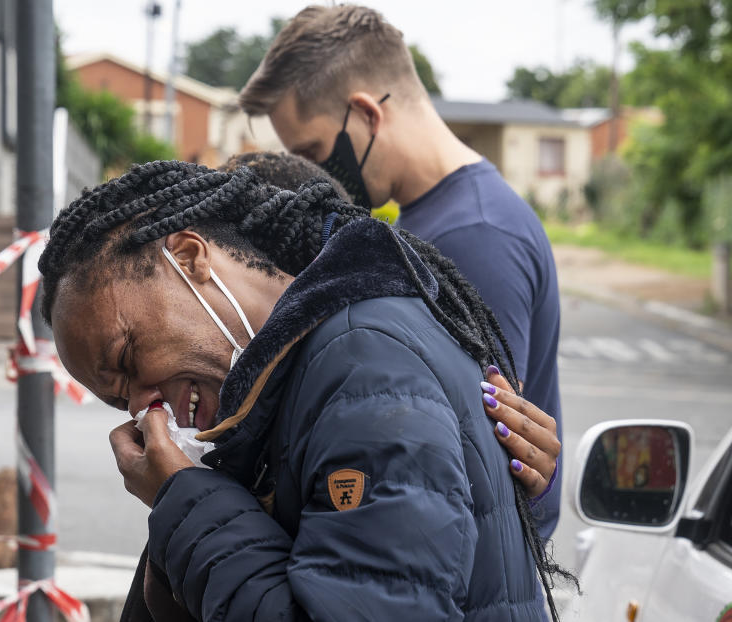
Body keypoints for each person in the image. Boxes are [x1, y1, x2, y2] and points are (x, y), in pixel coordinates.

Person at [39, 161, 573, 621]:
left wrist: (186, 501)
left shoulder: (362, 367)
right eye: (119, 402)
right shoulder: (279, 393)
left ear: (189, 257)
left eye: (128, 360)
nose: (140, 407)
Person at [240, 5, 564, 537]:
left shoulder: (473, 235)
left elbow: (476, 454)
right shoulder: (439, 216)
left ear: (366, 113)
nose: (315, 175)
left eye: (314, 151)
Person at [221, 150, 561, 498]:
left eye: (313, 145)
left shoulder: (477, 234)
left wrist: (190, 490)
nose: (320, 161)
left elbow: (494, 435)